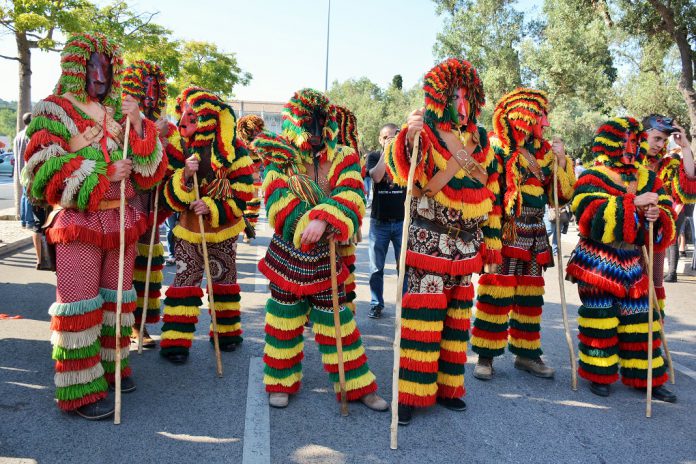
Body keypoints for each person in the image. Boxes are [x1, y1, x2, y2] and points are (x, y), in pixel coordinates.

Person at [23, 32, 166, 419]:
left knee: (116, 303)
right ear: (76, 66)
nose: (101, 74)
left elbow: (151, 173)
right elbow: (38, 172)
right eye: (93, 64)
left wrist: (138, 125)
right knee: (80, 307)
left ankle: (110, 368)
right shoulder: (52, 109)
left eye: (107, 64)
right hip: (79, 222)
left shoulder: (121, 109)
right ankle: (81, 390)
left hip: (122, 221)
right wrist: (105, 173)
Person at [384, 58, 502, 425]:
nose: (462, 104)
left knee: (456, 321)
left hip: (467, 247)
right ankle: (410, 393)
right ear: (441, 97)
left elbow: (493, 193)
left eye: (467, 97)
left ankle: (449, 387)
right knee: (423, 318)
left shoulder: (483, 141)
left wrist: (492, 247)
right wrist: (409, 134)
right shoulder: (427, 131)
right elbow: (401, 168)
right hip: (428, 242)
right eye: (455, 96)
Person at [254, 88, 387, 412]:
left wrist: (325, 220)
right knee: (283, 319)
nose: (313, 131)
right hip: (289, 255)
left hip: (329, 254)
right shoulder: (280, 157)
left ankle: (356, 386)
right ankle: (280, 381)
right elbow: (275, 200)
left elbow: (353, 193)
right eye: (306, 123)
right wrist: (305, 223)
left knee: (338, 322)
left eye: (318, 123)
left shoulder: (343, 155)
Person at [566, 116, 677, 402]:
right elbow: (588, 214)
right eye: (623, 140)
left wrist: (658, 214)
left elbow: (664, 206)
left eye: (633, 140)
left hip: (633, 259)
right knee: (600, 316)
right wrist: (633, 203)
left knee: (642, 319)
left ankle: (645, 376)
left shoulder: (648, 177)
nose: (629, 147)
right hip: (598, 262)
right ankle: (599, 373)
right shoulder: (592, 175)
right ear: (609, 142)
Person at [471, 88, 575, 381]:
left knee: (530, 297)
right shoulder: (496, 148)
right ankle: (486, 356)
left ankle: (527, 354)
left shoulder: (544, 153)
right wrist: (489, 244)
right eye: (541, 116)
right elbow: (489, 198)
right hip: (506, 231)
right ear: (525, 118)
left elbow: (560, 197)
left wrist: (563, 162)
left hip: (536, 234)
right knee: (496, 294)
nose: (546, 122)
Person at [159, 86, 254, 364]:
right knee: (185, 278)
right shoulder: (180, 148)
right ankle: (176, 340)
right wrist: (185, 176)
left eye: (194, 115)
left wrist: (212, 206)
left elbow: (243, 194)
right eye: (185, 113)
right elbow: (168, 194)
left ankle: (226, 334)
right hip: (189, 228)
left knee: (223, 278)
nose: (185, 119)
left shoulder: (235, 150)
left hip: (223, 229)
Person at [121, 60, 178, 348]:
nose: (150, 95)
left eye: (155, 89)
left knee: (146, 267)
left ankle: (140, 324)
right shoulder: (120, 118)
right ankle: (122, 327)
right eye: (145, 89)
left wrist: (164, 139)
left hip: (151, 206)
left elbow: (172, 161)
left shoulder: (165, 125)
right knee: (123, 269)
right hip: (124, 203)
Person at [641, 115, 696, 286]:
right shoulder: (626, 162)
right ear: (642, 136)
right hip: (626, 241)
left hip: (655, 238)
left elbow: (689, 180)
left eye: (663, 140)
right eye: (656, 138)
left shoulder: (666, 165)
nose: (659, 144)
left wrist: (685, 146)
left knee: (653, 291)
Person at [365, 123, 406, 319]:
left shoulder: (405, 156)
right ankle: (376, 303)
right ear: (380, 140)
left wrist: (397, 149)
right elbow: (377, 175)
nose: (390, 139)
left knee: (404, 267)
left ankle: (405, 304)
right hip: (379, 222)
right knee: (376, 268)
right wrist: (386, 152)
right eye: (385, 137)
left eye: (394, 136)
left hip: (402, 222)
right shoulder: (373, 156)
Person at [236, 114, 266, 242]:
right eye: (251, 130)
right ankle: (244, 227)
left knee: (253, 203)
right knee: (241, 204)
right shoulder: (239, 144)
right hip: (241, 179)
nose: (254, 133)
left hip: (255, 179)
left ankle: (249, 228)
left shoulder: (261, 145)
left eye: (256, 130)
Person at [14, 112, 34, 229]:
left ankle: (23, 220)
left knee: (24, 195)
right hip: (27, 171)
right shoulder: (29, 135)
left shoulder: (18, 135)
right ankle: (30, 221)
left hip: (20, 170)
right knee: (29, 196)